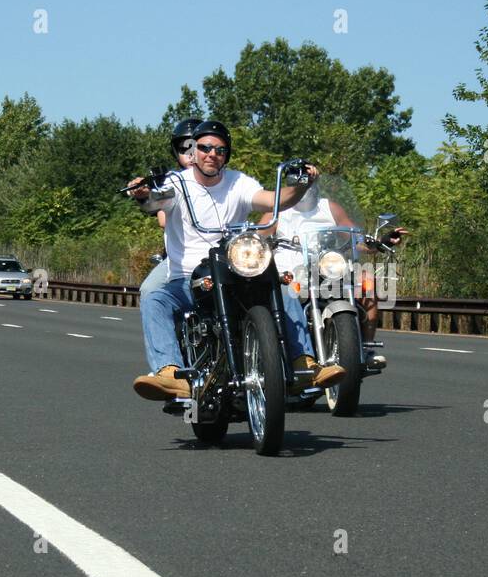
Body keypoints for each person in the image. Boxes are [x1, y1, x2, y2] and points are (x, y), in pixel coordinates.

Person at [126, 119, 345, 401]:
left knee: (283, 290)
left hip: (237, 269)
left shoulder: (239, 182)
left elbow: (276, 200)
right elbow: (156, 200)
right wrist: (142, 194)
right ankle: (170, 373)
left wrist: (302, 185)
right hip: (189, 276)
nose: (211, 154)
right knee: (154, 299)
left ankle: (303, 363)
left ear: (226, 155)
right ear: (193, 152)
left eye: (219, 149)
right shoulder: (177, 183)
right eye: (204, 147)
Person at [259, 184, 409, 369]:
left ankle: (367, 347)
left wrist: (380, 242)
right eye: (300, 184)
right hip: (290, 274)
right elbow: (258, 236)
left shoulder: (329, 207)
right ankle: (299, 355)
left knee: (366, 280)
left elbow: (356, 238)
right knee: (284, 293)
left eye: (309, 184)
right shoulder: (279, 211)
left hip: (326, 268)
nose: (306, 191)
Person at [138, 118, 202, 300]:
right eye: (185, 148)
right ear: (176, 151)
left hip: (217, 255)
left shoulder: (223, 179)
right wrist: (146, 193)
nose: (191, 154)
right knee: (149, 291)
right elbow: (162, 220)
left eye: (197, 146)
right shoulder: (171, 181)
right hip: (179, 258)